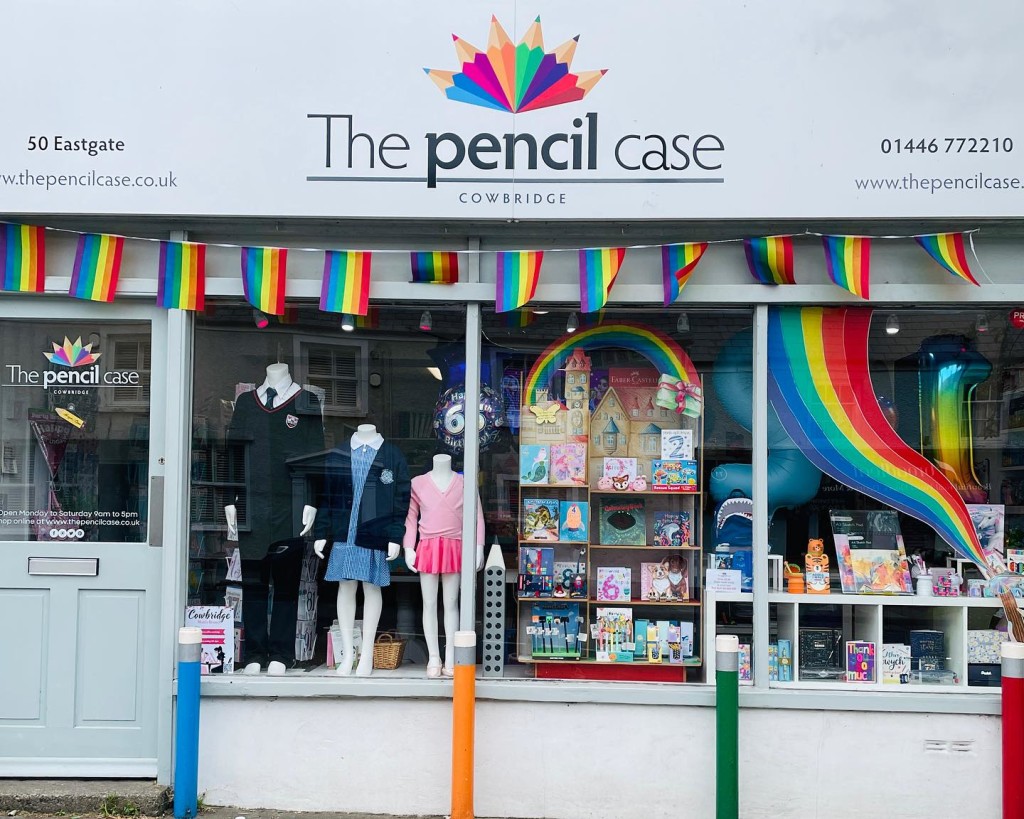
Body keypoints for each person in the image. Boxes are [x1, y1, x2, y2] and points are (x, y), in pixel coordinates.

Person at [225, 362, 323, 676]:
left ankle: (281, 652)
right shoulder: (245, 403)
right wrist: (229, 500)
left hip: (290, 506)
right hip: (252, 508)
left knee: (285, 584)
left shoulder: (305, 400)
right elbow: (233, 453)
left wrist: (311, 501)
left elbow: (315, 454)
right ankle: (254, 652)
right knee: (253, 582)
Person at [314, 424, 410, 676]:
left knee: (371, 587)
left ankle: (367, 653)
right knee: (345, 587)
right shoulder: (339, 454)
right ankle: (347, 654)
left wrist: (394, 535)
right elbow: (327, 495)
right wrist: (321, 532)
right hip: (344, 530)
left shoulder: (392, 455)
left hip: (375, 531)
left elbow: (402, 500)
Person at [403, 454, 484, 677]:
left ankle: (450, 657)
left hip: (454, 546)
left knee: (451, 604)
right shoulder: (417, 483)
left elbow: (477, 516)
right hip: (427, 546)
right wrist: (409, 547)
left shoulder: (465, 483)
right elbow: (410, 518)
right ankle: (434, 657)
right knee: (429, 604)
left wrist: (478, 547)